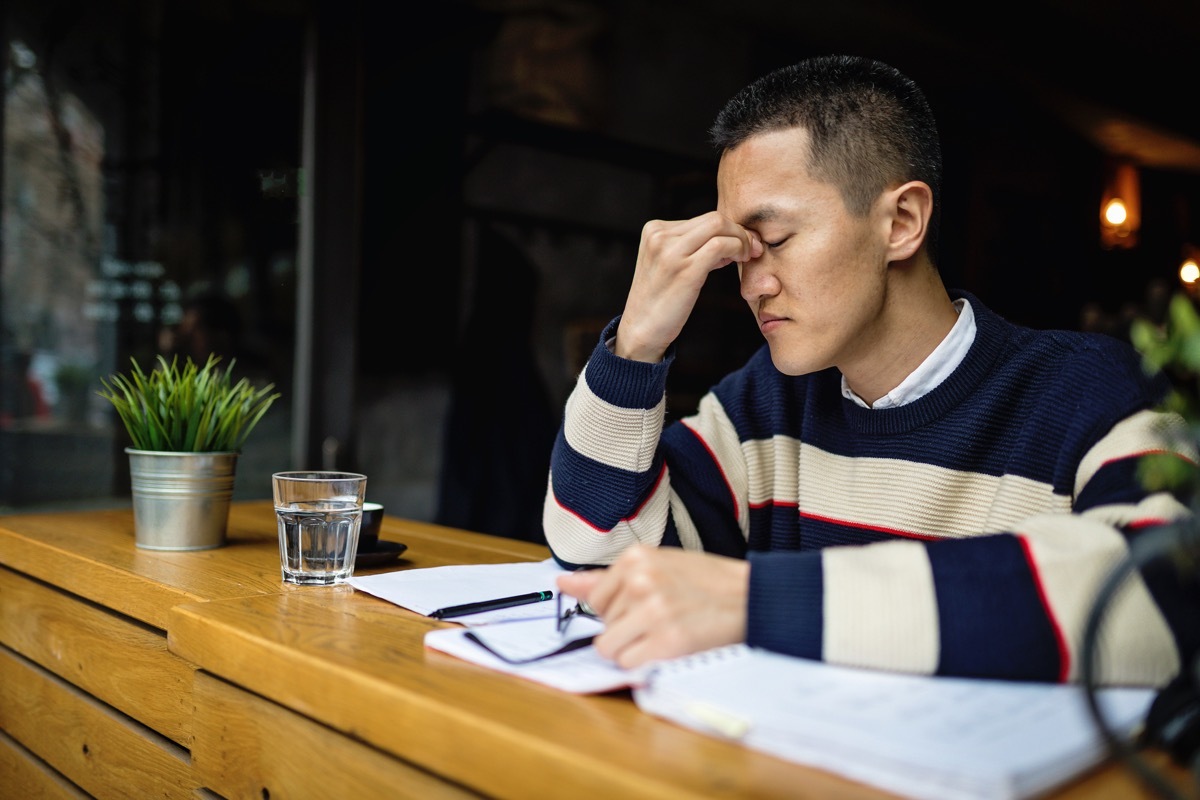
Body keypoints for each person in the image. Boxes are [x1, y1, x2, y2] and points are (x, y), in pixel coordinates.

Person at [544, 54, 1198, 686]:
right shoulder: (763, 406)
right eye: (739, 253)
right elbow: (602, 560)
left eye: (772, 241)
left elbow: (1164, 593)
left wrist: (760, 604)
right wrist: (634, 348)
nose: (751, 285)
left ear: (903, 222)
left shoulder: (1094, 393)